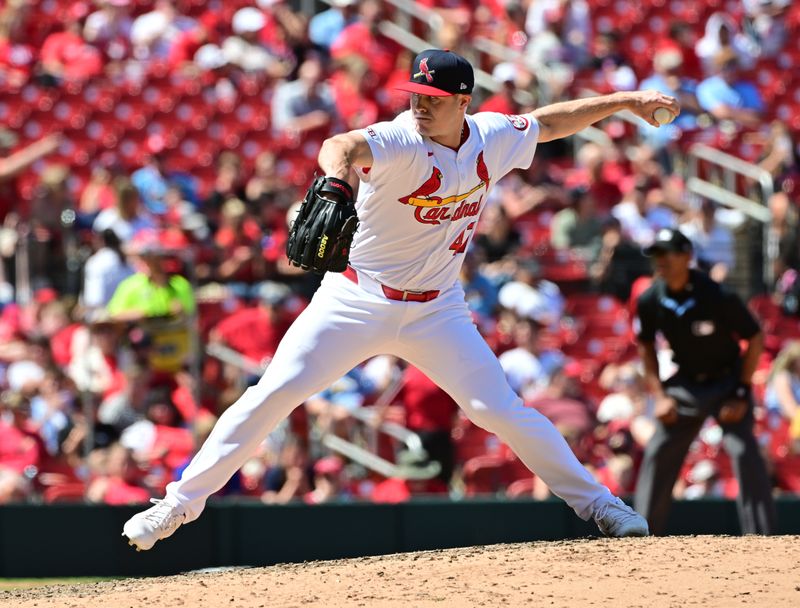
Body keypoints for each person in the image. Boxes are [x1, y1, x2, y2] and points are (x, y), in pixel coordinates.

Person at [122, 48, 680, 550]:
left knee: (499, 410)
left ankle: (602, 506)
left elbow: (553, 121)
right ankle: (176, 505)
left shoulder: (491, 136)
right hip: (355, 299)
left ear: (464, 102)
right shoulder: (401, 139)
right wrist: (339, 181)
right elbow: (339, 145)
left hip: (438, 309)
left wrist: (627, 101)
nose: (419, 105)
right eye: (415, 94)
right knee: (273, 393)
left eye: (433, 98)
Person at [633, 228, 776, 535]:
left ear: (687, 256)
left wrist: (741, 391)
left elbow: (755, 336)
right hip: (686, 385)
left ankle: (762, 540)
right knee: (659, 450)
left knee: (743, 450)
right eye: (656, 255)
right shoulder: (650, 299)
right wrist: (658, 395)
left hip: (727, 382)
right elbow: (645, 345)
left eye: (667, 253)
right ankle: (641, 535)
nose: (661, 261)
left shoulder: (715, 294)